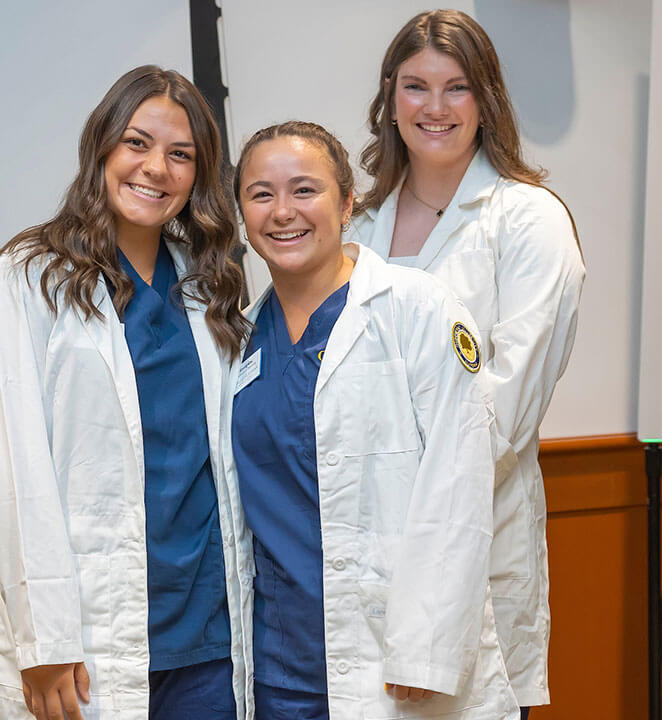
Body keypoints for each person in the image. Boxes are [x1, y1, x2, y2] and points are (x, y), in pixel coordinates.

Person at [0, 66, 253, 720]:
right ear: (100, 148)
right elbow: (16, 471)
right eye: (137, 143)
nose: (157, 168)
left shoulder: (210, 285)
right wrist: (45, 637)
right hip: (86, 632)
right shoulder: (25, 280)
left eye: (181, 154)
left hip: (206, 628)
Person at [232, 120, 518, 719]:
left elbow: (458, 477)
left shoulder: (417, 307)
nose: (283, 211)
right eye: (261, 194)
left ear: (348, 201)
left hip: (397, 662)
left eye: (304, 190)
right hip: (280, 666)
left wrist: (427, 649)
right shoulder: (237, 339)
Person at [346, 10, 586, 715]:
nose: (436, 108)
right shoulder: (358, 224)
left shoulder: (529, 220)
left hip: (469, 537)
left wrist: (419, 514)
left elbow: (505, 410)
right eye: (417, 87)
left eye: (457, 88)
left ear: (486, 99)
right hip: (361, 538)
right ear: (391, 98)